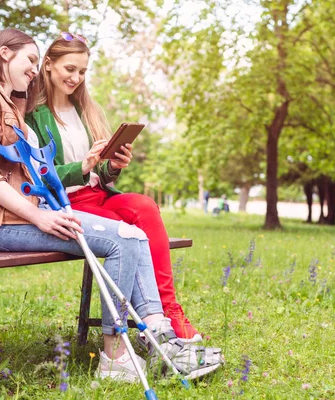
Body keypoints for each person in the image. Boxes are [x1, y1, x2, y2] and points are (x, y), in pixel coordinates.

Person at [0, 28, 222, 382]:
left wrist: (104, 168)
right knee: (125, 237)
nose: (33, 70)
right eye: (31, 60)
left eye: (36, 62)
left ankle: (162, 336)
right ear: (4, 54)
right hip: (5, 224)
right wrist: (41, 215)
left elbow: (27, 170)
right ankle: (115, 354)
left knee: (133, 232)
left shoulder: (8, 104)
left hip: (29, 215)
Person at [25, 33, 202, 343]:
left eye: (82, 71)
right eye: (70, 69)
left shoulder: (88, 111)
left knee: (144, 206)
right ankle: (151, 322)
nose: (76, 78)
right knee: (128, 233)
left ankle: (170, 309)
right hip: (66, 204)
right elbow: (40, 176)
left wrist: (113, 166)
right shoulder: (33, 116)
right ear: (49, 65)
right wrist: (81, 167)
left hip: (98, 196)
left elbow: (101, 175)